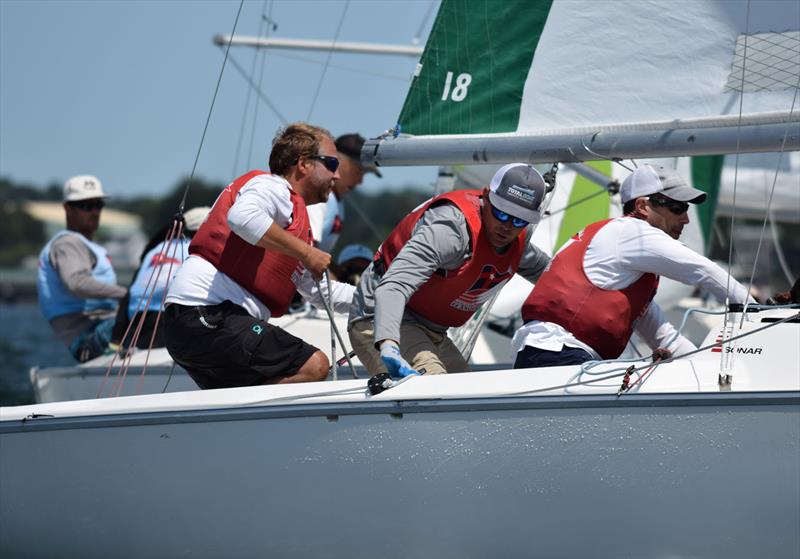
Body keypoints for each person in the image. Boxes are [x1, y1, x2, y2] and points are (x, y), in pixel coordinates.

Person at [163, 122, 355, 389]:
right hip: (207, 313)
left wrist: (373, 300)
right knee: (314, 365)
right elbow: (242, 218)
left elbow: (315, 290)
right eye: (332, 165)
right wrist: (308, 253)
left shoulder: (293, 224)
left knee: (235, 398)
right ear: (303, 164)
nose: (337, 176)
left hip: (197, 322)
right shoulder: (272, 187)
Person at [512, 164, 755, 369]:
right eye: (677, 207)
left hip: (552, 355)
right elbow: (704, 271)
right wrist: (759, 316)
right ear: (642, 206)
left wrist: (705, 369)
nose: (686, 218)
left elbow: (665, 338)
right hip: (558, 353)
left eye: (686, 209)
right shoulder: (631, 232)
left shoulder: (625, 268)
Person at [348, 163, 551, 378]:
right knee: (438, 389)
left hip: (433, 331)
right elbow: (393, 286)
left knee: (467, 400)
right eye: (501, 213)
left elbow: (554, 277)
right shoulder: (450, 229)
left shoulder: (518, 242)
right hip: (380, 318)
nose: (507, 226)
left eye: (519, 219)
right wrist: (388, 344)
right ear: (486, 196)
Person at [37, 175, 127, 362]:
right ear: (67, 208)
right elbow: (76, 283)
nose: (94, 212)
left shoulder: (85, 244)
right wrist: (127, 295)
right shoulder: (69, 243)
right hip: (87, 337)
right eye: (86, 206)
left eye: (98, 205)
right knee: (153, 319)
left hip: (103, 327)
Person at [110, 206, 211, 349]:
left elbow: (130, 293)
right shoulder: (197, 250)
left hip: (133, 328)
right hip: (165, 327)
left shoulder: (155, 250)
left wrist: (116, 339)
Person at [306, 133, 381, 253]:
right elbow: (307, 252)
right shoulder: (319, 198)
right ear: (338, 161)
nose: (360, 181)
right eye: (358, 171)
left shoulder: (336, 201)